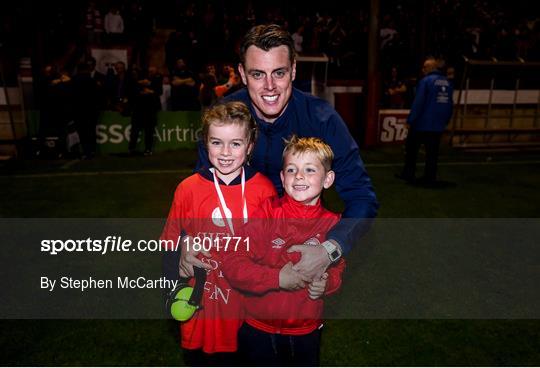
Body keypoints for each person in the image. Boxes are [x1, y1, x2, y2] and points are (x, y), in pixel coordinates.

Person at [191, 23, 378, 283]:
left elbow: (362, 197)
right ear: (243, 74)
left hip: (298, 258)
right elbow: (200, 191)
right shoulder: (222, 119)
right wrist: (189, 240)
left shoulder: (322, 119)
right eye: (258, 74)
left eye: (278, 72)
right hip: (234, 250)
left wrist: (329, 250)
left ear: (293, 70)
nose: (269, 86)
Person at [161, 101, 277, 366]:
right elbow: (169, 244)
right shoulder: (188, 189)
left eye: (236, 144)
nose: (225, 152)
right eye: (216, 142)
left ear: (249, 146)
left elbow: (273, 252)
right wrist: (171, 290)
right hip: (203, 306)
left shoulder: (264, 190)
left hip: (249, 310)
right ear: (205, 143)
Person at [222, 136, 345, 366]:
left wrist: (327, 284)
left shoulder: (333, 225)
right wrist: (277, 278)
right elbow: (233, 262)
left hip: (306, 332)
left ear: (328, 179)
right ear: (282, 177)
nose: (299, 176)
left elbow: (338, 269)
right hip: (258, 329)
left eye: (309, 169)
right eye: (291, 169)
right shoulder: (267, 215)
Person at [397, 57, 453, 186]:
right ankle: (429, 177)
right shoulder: (447, 82)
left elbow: (418, 103)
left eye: (425, 67)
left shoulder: (426, 81)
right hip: (438, 125)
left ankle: (408, 174)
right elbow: (449, 104)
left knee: (411, 149)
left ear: (431, 68)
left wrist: (410, 120)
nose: (423, 70)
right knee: (432, 153)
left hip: (422, 123)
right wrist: (446, 120)